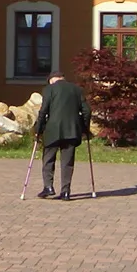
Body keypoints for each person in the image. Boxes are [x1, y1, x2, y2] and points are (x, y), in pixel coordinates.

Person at [33, 70, 91, 200]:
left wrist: (39, 128)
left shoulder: (49, 89)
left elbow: (43, 110)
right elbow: (87, 110)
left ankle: (48, 187)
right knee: (67, 162)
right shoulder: (77, 89)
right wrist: (84, 128)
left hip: (52, 130)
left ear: (53, 80)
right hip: (71, 130)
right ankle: (65, 191)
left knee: (48, 158)